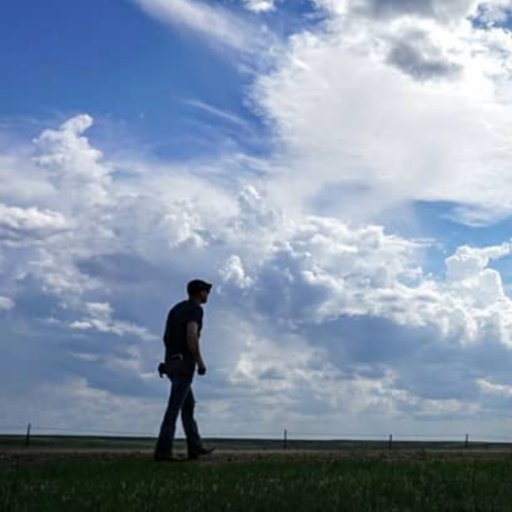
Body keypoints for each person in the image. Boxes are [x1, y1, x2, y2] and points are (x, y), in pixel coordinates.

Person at [154, 279, 215, 461]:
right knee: (174, 408)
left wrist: (169, 359)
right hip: (184, 364)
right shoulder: (195, 310)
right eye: (206, 291)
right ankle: (163, 452)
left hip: (172, 363)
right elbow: (192, 334)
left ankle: (195, 447)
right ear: (199, 292)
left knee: (187, 406)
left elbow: (166, 337)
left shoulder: (176, 309)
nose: (207, 295)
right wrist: (199, 361)